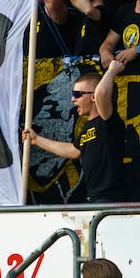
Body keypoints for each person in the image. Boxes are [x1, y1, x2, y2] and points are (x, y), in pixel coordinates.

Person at [21, 58, 128, 202]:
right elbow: (74, 151)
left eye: (77, 94)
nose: (72, 99)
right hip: (93, 198)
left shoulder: (107, 122)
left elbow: (101, 93)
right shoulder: (87, 127)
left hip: (111, 198)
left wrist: (112, 70)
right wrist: (36, 140)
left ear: (92, 97)